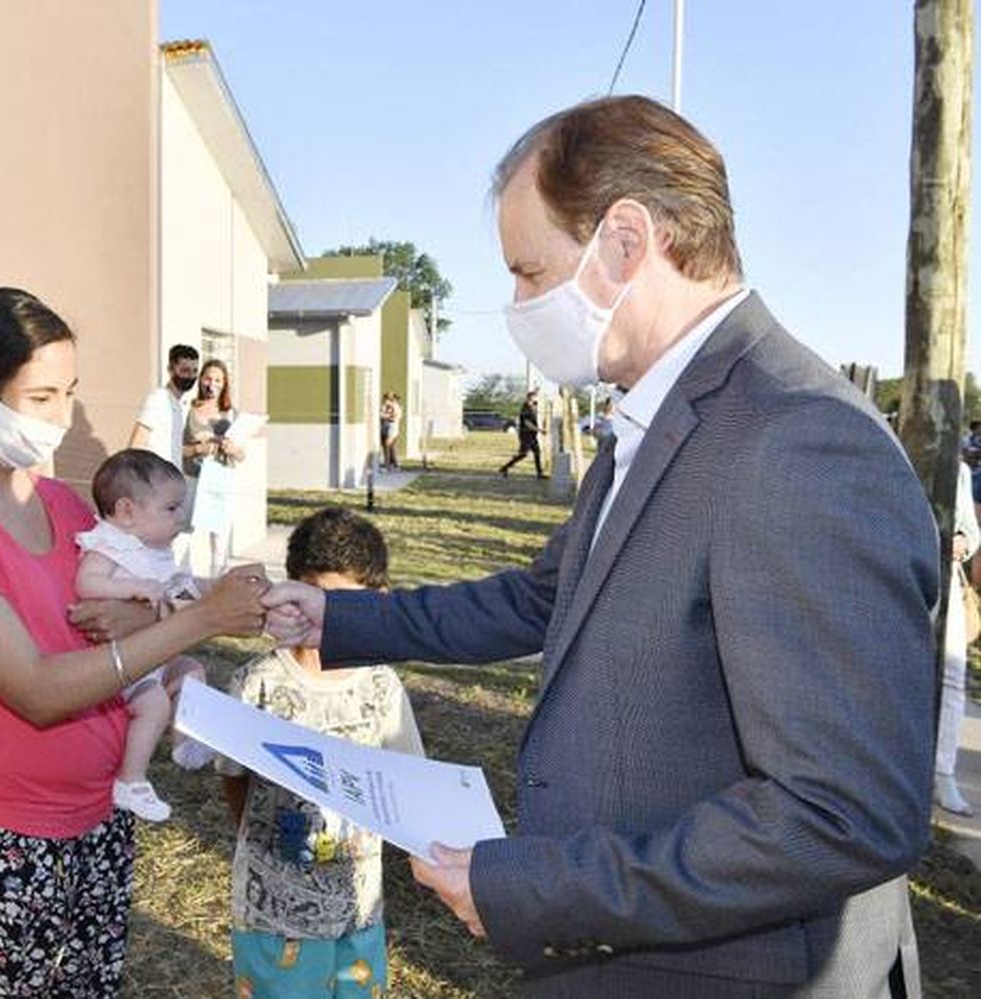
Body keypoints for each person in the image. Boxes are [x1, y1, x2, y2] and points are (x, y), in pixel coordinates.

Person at [263, 95, 937, 998]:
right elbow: (547, 598)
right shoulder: (652, 422)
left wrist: (537, 888)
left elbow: (840, 812)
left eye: (529, 271)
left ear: (625, 241)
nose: (517, 304)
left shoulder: (797, 440)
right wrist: (337, 617)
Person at [0, 288, 268, 997]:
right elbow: (34, 688)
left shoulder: (65, 506)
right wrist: (196, 622)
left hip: (99, 817)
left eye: (70, 394)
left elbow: (107, 627)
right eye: (41, 396)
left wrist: (157, 629)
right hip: (3, 835)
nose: (61, 418)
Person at [220, 506, 424, 999]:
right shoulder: (256, 684)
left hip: (358, 913)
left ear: (379, 601)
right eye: (317, 598)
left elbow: (408, 781)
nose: (327, 618)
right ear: (291, 590)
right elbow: (233, 776)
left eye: (347, 604)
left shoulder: (381, 686)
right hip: (272, 918)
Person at [75, 448, 219, 822]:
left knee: (192, 671)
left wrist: (214, 591)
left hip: (156, 657)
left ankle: (186, 740)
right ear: (126, 512)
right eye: (171, 509)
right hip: (123, 666)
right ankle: (131, 779)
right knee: (154, 703)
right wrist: (132, 588)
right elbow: (86, 583)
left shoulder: (156, 550)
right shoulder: (110, 545)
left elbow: (177, 589)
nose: (180, 517)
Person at [937, 460, 979, 817]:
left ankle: (942, 773)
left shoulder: (959, 470)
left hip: (945, 577)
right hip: (896, 571)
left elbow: (972, 530)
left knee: (953, 674)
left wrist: (963, 541)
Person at [184, 358, 244, 575]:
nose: (212, 383)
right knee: (184, 534)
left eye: (218, 379)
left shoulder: (232, 414)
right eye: (208, 378)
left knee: (219, 540)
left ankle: (217, 584)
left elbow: (241, 455)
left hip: (220, 480)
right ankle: (181, 582)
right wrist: (197, 449)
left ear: (225, 382)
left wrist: (232, 449)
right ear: (200, 380)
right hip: (191, 478)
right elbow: (177, 449)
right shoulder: (188, 409)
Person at [128, 343, 200, 470]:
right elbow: (136, 444)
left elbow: (173, 448)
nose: (190, 376)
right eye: (185, 370)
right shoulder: (158, 399)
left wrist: (197, 449)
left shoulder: (178, 405)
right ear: (170, 370)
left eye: (194, 371)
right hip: (155, 479)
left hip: (171, 480)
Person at [499, 388, 543, 478]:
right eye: (533, 398)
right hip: (525, 435)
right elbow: (528, 423)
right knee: (523, 454)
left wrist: (536, 391)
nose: (535, 400)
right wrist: (539, 430)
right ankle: (504, 468)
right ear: (528, 399)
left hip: (532, 435)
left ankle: (539, 474)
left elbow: (537, 402)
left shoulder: (533, 406)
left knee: (537, 452)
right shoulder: (525, 408)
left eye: (535, 398)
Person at [380, 393, 403, 471]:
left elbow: (394, 417)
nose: (387, 400)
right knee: (389, 446)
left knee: (387, 444)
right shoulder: (385, 406)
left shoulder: (395, 406)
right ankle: (394, 464)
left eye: (389, 398)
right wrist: (385, 415)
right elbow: (381, 415)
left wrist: (387, 416)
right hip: (385, 426)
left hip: (392, 427)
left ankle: (387, 466)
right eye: (386, 398)